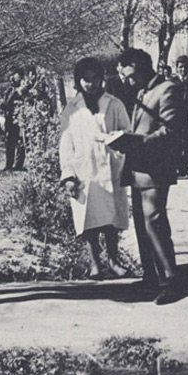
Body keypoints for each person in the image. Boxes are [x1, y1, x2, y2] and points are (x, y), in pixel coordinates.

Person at [118, 48, 182, 305]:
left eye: (131, 76)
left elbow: (170, 131)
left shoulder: (167, 89)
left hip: (156, 169)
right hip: (138, 168)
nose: (129, 82)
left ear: (143, 68)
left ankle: (170, 280)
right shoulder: (142, 90)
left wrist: (134, 141)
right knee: (142, 227)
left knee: (154, 222)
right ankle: (150, 278)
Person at [59, 58, 131, 279]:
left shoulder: (114, 104)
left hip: (110, 169)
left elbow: (127, 133)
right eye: (85, 80)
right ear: (79, 82)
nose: (90, 84)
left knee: (111, 220)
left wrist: (116, 144)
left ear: (102, 79)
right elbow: (65, 145)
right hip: (84, 171)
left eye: (95, 79)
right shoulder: (71, 110)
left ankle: (113, 261)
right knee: (88, 220)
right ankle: (95, 264)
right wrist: (69, 176)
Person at [1, 69, 25, 171]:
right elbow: (4, 104)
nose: (13, 79)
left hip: (19, 119)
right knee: (9, 141)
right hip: (9, 119)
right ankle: (9, 164)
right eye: (13, 77)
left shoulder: (21, 91)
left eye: (16, 77)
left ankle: (18, 164)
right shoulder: (10, 90)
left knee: (20, 141)